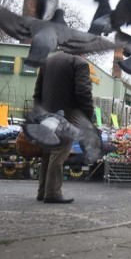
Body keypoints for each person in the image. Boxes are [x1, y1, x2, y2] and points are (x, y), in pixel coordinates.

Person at [33, 52, 95, 204]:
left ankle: (43, 191)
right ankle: (53, 193)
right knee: (59, 153)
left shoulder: (47, 60)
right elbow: (83, 92)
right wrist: (87, 116)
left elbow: (37, 91)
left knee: (48, 153)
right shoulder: (79, 63)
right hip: (66, 117)